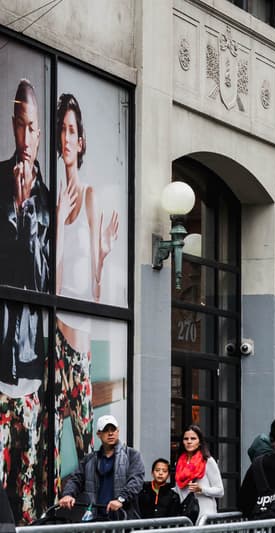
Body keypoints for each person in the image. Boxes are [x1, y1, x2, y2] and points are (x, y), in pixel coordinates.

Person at [53, 92, 120, 489]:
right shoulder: (55, 201)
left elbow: (93, 292)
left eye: (72, 130)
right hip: (55, 341)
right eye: (61, 128)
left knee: (83, 444)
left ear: (81, 142)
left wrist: (106, 253)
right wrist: (59, 220)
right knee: (49, 441)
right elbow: (54, 286)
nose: (65, 137)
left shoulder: (91, 195)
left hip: (79, 347)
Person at [0, 78, 49, 523]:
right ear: (13, 127)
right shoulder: (0, 180)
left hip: (32, 364)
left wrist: (28, 214)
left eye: (35, 129)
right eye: (21, 126)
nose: (28, 138)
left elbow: (39, 281)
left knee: (28, 479)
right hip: (2, 362)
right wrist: (14, 210)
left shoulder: (45, 199)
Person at [58, 414, 145, 520]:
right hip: (96, 519)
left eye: (113, 429)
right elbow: (75, 479)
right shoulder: (89, 460)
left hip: (124, 518)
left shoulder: (132, 455)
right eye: (106, 430)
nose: (110, 433)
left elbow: (136, 481)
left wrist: (120, 499)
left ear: (118, 431)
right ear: (99, 434)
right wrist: (68, 494)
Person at [173, 425, 223, 522]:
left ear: (199, 442)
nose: (189, 441)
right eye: (186, 439)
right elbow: (179, 490)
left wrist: (201, 489)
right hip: (186, 516)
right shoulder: (179, 463)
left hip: (204, 517)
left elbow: (220, 491)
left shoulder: (208, 461)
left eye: (193, 438)